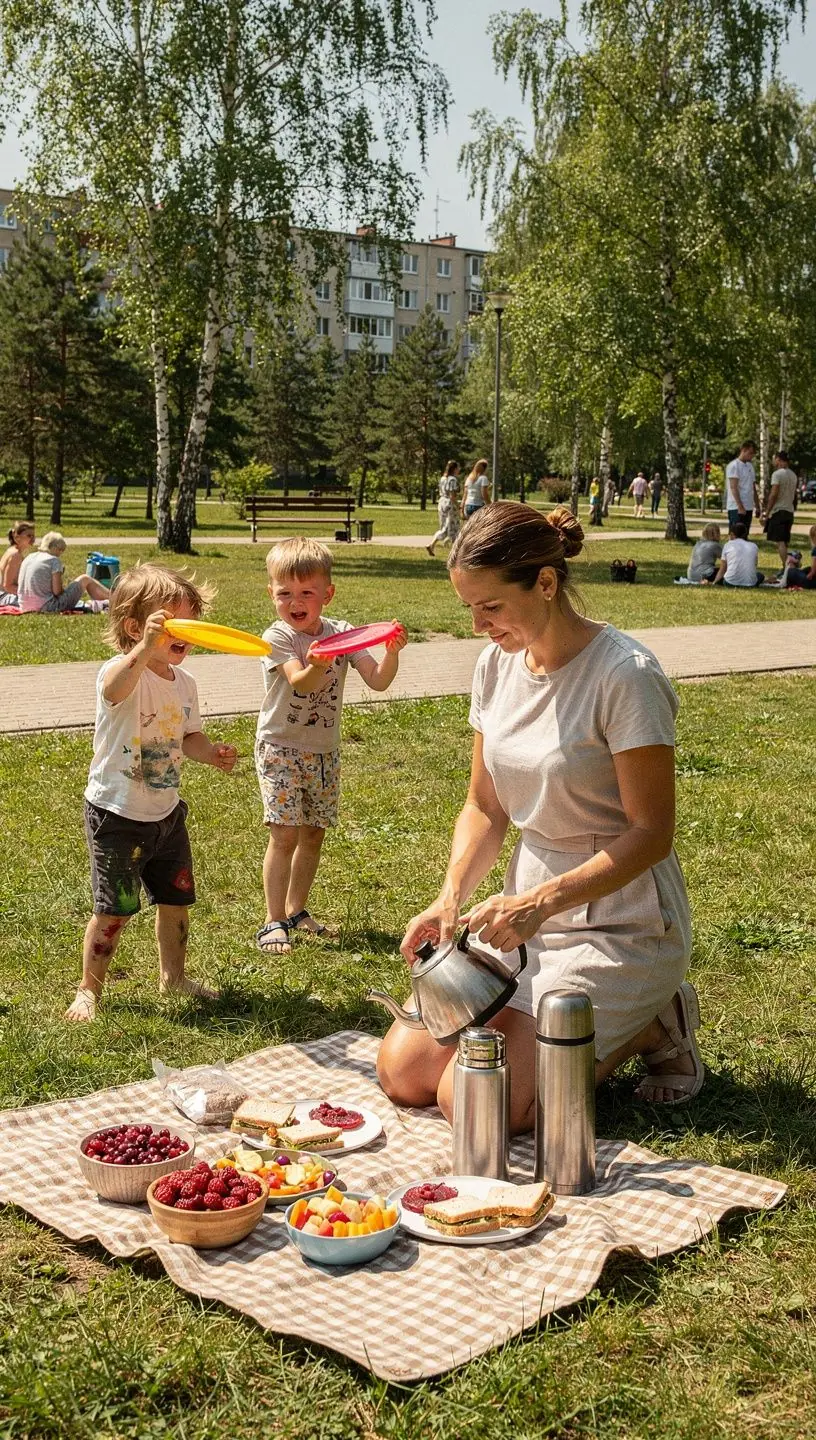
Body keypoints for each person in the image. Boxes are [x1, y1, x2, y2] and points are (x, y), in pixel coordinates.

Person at [376, 503, 702, 1131]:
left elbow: (653, 834)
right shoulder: (496, 665)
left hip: (620, 920)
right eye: (468, 607)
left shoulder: (624, 675)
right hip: (521, 919)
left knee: (480, 1105)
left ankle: (654, 1021)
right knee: (405, 1073)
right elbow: (484, 804)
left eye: (490, 607)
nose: (477, 625)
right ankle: (580, 1027)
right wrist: (450, 900)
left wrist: (540, 902)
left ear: (546, 584)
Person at [65, 564, 238, 1022]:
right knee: (113, 911)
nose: (187, 634)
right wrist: (143, 650)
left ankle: (174, 977)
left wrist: (211, 753)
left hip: (166, 813)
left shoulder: (186, 684)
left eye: (192, 624)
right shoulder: (122, 673)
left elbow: (188, 736)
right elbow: (114, 688)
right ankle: (89, 990)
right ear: (135, 628)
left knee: (176, 902)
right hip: (117, 814)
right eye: (174, 625)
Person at [255, 538, 407, 955]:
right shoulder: (279, 636)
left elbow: (378, 680)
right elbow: (299, 681)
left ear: (327, 594)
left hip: (323, 750)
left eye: (306, 592)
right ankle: (272, 921)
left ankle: (297, 910)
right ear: (272, 593)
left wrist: (390, 653)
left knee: (313, 833)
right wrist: (317, 662)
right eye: (284, 593)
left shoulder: (342, 634)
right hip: (280, 747)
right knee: (284, 835)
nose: (295, 602)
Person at [17, 531, 110, 613]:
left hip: (24, 606)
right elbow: (57, 592)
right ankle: (115, 598)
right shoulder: (53, 560)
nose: (60, 554)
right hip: (47, 607)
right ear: (56, 548)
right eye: (61, 551)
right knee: (85, 579)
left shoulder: (29, 557)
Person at [762, 449, 798, 570]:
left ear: (778, 459)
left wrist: (767, 512)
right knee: (785, 540)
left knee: (780, 541)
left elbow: (774, 494)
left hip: (779, 511)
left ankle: (786, 567)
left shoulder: (777, 474)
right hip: (789, 510)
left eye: (774, 459)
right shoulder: (793, 475)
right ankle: (789, 564)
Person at [713, 522, 764, 587]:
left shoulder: (728, 545)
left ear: (732, 534)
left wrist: (715, 582)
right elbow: (755, 564)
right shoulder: (754, 546)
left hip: (730, 583)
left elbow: (723, 568)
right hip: (751, 584)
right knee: (760, 575)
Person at [427, 461, 461, 557]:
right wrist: (458, 506)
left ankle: (432, 545)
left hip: (442, 502)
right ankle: (455, 552)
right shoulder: (452, 480)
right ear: (454, 469)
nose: (459, 470)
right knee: (454, 527)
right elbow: (452, 495)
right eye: (458, 468)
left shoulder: (443, 478)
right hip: (449, 504)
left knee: (445, 527)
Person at [725, 441, 759, 536]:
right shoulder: (734, 466)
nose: (752, 456)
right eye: (750, 453)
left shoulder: (750, 466)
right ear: (743, 450)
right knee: (735, 535)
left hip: (748, 506)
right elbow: (733, 487)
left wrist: (757, 505)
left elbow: (753, 487)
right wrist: (740, 506)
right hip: (736, 507)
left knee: (744, 534)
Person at [0, 520, 35, 605]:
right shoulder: (15, 555)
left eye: (33, 536)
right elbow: (7, 586)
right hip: (4, 596)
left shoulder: (15, 552)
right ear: (17, 537)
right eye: (29, 536)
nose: (33, 539)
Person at [780, 523, 816, 588]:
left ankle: (791, 578)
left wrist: (809, 575)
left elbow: (813, 570)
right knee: (808, 569)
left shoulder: (815, 550)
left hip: (812, 582)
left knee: (791, 571)